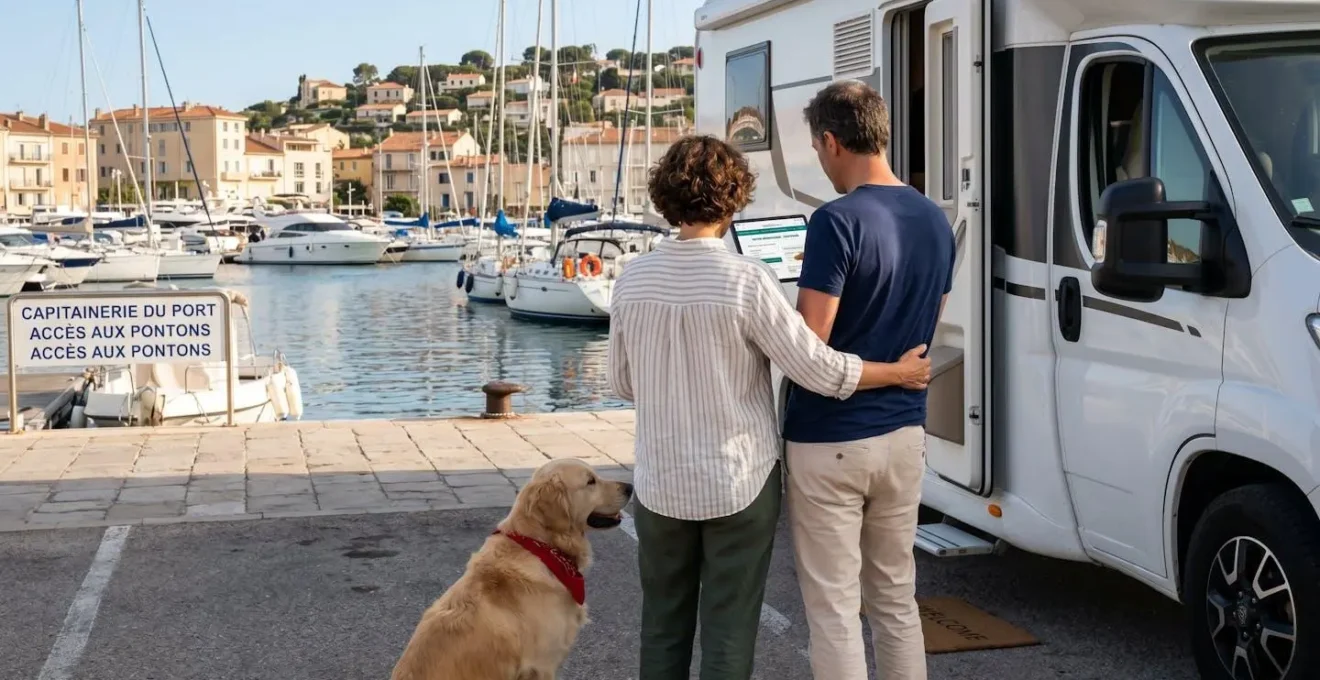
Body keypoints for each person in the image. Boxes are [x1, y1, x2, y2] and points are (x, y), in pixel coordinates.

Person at [606, 134, 933, 680]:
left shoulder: (631, 280)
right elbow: (818, 370)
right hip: (739, 483)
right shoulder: (748, 281)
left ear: (666, 197)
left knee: (662, 626)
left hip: (661, 483)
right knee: (729, 632)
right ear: (734, 198)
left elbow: (622, 382)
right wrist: (898, 373)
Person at [784, 81, 956, 680]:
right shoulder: (935, 219)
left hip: (831, 437)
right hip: (904, 436)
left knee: (833, 606)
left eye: (817, 148)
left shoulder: (835, 221)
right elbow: (923, 333)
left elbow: (812, 345)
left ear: (833, 141)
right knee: (894, 597)